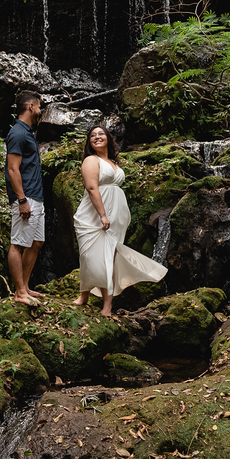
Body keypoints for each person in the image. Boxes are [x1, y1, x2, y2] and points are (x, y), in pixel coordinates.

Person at [73, 124, 167, 316]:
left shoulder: (113, 162)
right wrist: (102, 214)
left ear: (108, 137)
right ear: (89, 142)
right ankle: (84, 295)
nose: (97, 137)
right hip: (94, 215)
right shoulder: (91, 160)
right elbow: (92, 188)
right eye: (93, 135)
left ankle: (107, 305)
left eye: (101, 133)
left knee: (110, 257)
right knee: (89, 256)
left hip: (115, 217)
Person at [5, 90, 46, 306]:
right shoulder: (18, 133)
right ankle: (20, 293)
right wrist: (21, 200)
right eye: (39, 106)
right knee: (18, 244)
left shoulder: (28, 132)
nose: (41, 110)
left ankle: (26, 286)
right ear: (30, 107)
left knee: (37, 242)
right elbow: (13, 169)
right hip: (26, 196)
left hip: (35, 196)